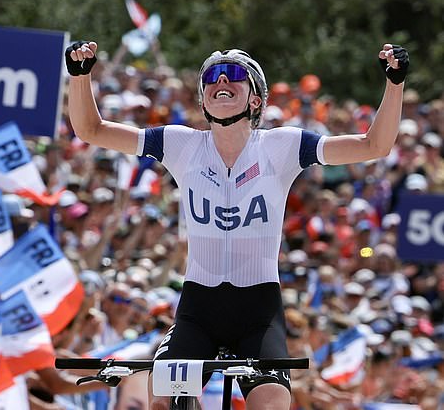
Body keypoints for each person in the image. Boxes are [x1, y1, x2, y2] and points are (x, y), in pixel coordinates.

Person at [65, 41, 408, 410]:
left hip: (258, 313)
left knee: (272, 406)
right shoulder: (181, 144)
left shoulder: (283, 146)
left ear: (256, 100)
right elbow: (91, 130)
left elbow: (374, 145)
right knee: (162, 402)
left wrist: (395, 84)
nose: (222, 79)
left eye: (234, 75)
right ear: (203, 101)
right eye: (211, 76)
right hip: (199, 309)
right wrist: (79, 76)